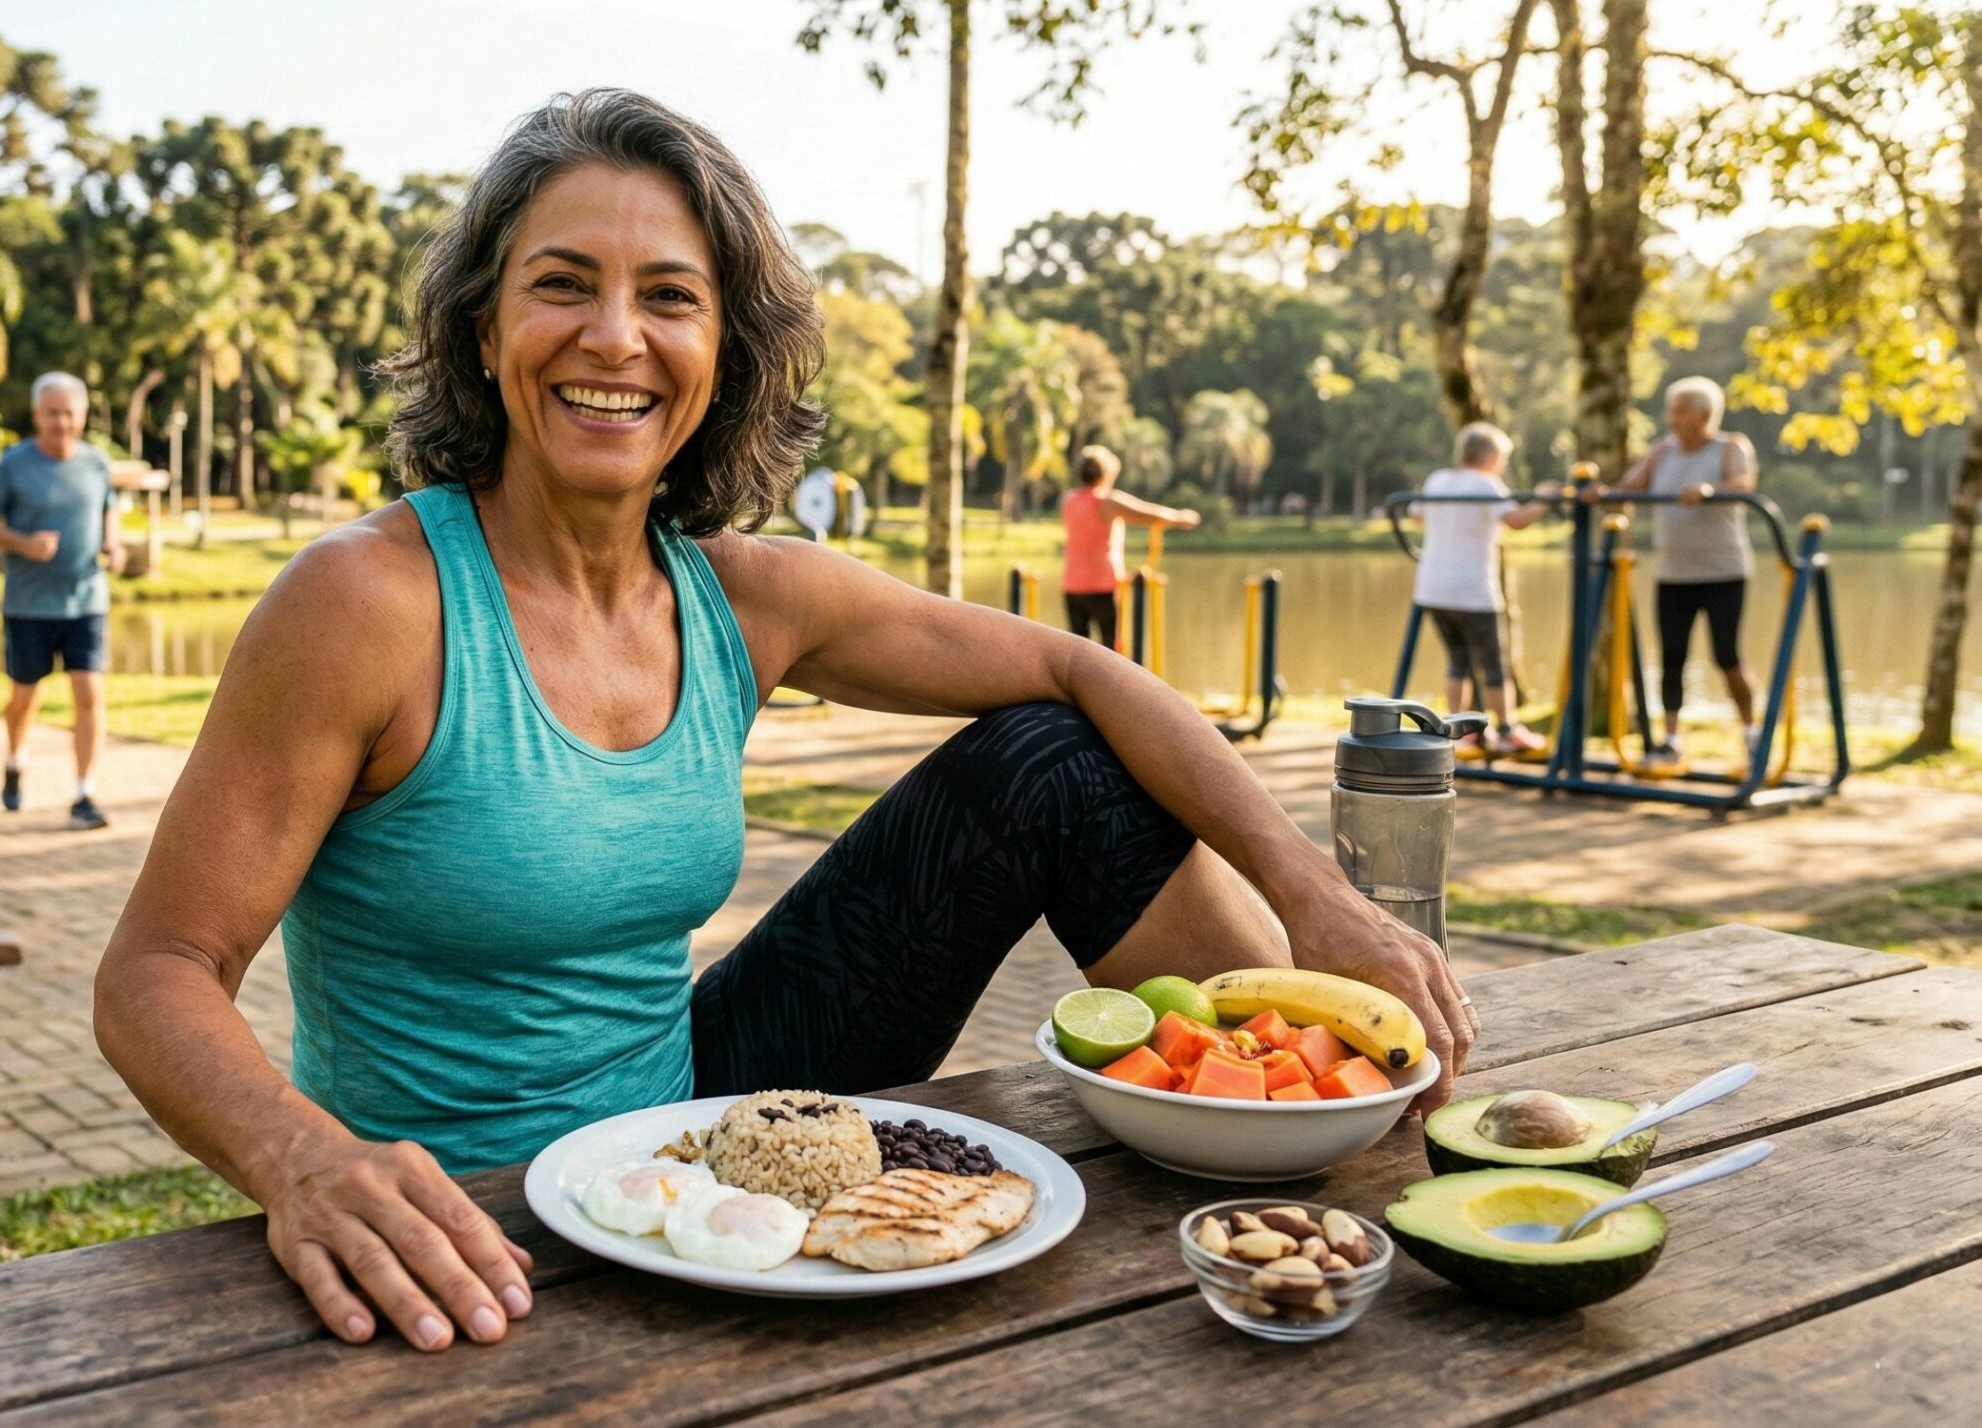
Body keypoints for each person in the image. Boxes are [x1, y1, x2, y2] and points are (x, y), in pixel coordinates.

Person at [91, 90, 1472, 1355]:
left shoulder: (744, 596)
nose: (614, 338)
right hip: (454, 1213)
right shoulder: (367, 603)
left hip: (702, 1124)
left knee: (1051, 755)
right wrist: (302, 1159)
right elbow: (158, 967)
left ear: (722, 350)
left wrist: (1318, 906)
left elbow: (1085, 669)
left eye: (670, 299)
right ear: (481, 329)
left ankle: (1294, 1146)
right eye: (561, 286)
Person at [0, 372, 124, 830]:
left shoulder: (96, 462)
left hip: (86, 601)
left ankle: (84, 793)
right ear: (37, 415)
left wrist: (114, 545)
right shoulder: (14, 464)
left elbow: (109, 507)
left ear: (82, 416)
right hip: (28, 605)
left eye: (69, 413)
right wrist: (22, 544)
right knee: (25, 696)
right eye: (52, 413)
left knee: (89, 693)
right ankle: (16, 759)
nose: (61, 422)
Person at [1610, 376, 1761, 761]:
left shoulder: (1730, 447)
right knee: (1671, 657)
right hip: (1674, 573)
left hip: (1722, 571)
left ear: (1703, 415)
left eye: (1678, 411)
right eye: (1670, 411)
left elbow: (1744, 484)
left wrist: (1709, 490)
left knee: (1726, 656)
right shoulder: (1663, 450)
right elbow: (1631, 485)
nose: (1670, 418)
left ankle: (1751, 731)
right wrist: (1600, 494)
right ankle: (1671, 740)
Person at [1411, 423, 1553, 755]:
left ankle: (1456, 729)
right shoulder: (1487, 484)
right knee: (1494, 662)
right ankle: (1506, 730)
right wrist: (1545, 499)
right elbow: (1516, 520)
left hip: (1433, 587)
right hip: (1473, 589)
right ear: (1490, 456)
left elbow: (1416, 515)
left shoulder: (1438, 480)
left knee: (1457, 658)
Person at [1059, 445, 1200, 647]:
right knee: (1110, 649)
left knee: (1078, 648)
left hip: (1072, 585)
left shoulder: (1068, 500)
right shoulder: (1107, 501)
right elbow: (1148, 513)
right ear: (1106, 473)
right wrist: (1181, 517)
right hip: (1102, 585)